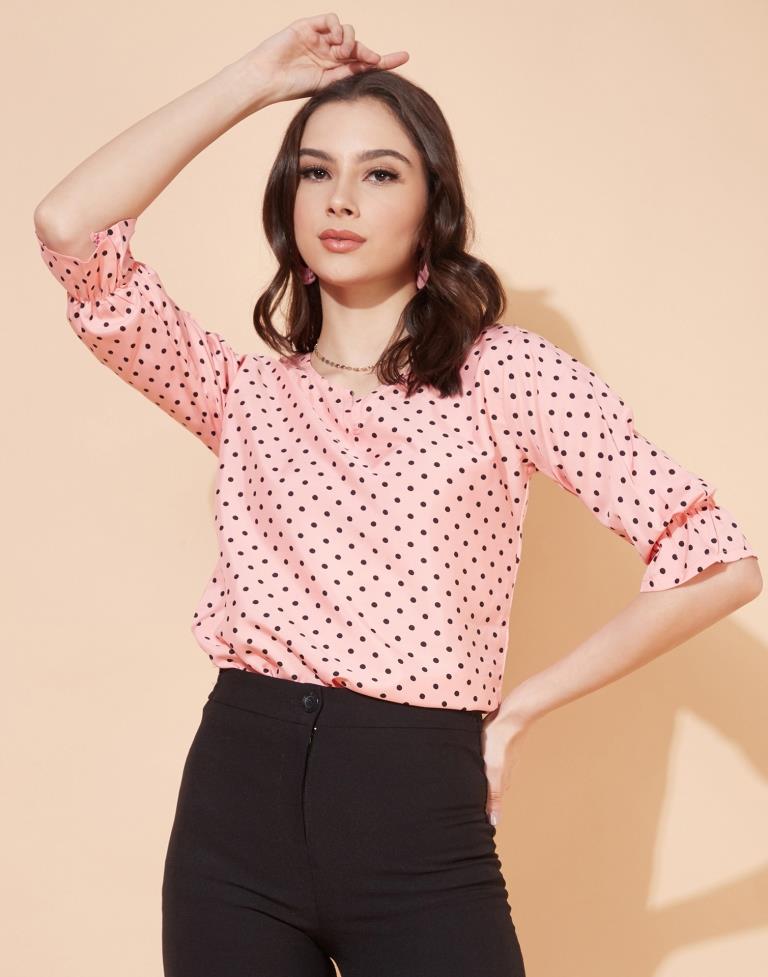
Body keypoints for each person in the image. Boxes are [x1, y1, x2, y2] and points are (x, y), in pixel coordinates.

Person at [33, 12, 762, 977]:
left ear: (432, 208)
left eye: (380, 174)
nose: (341, 198)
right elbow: (71, 230)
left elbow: (715, 558)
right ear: (288, 200)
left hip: (419, 822)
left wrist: (522, 708)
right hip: (232, 824)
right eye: (315, 171)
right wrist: (259, 79)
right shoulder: (243, 393)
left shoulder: (505, 376)